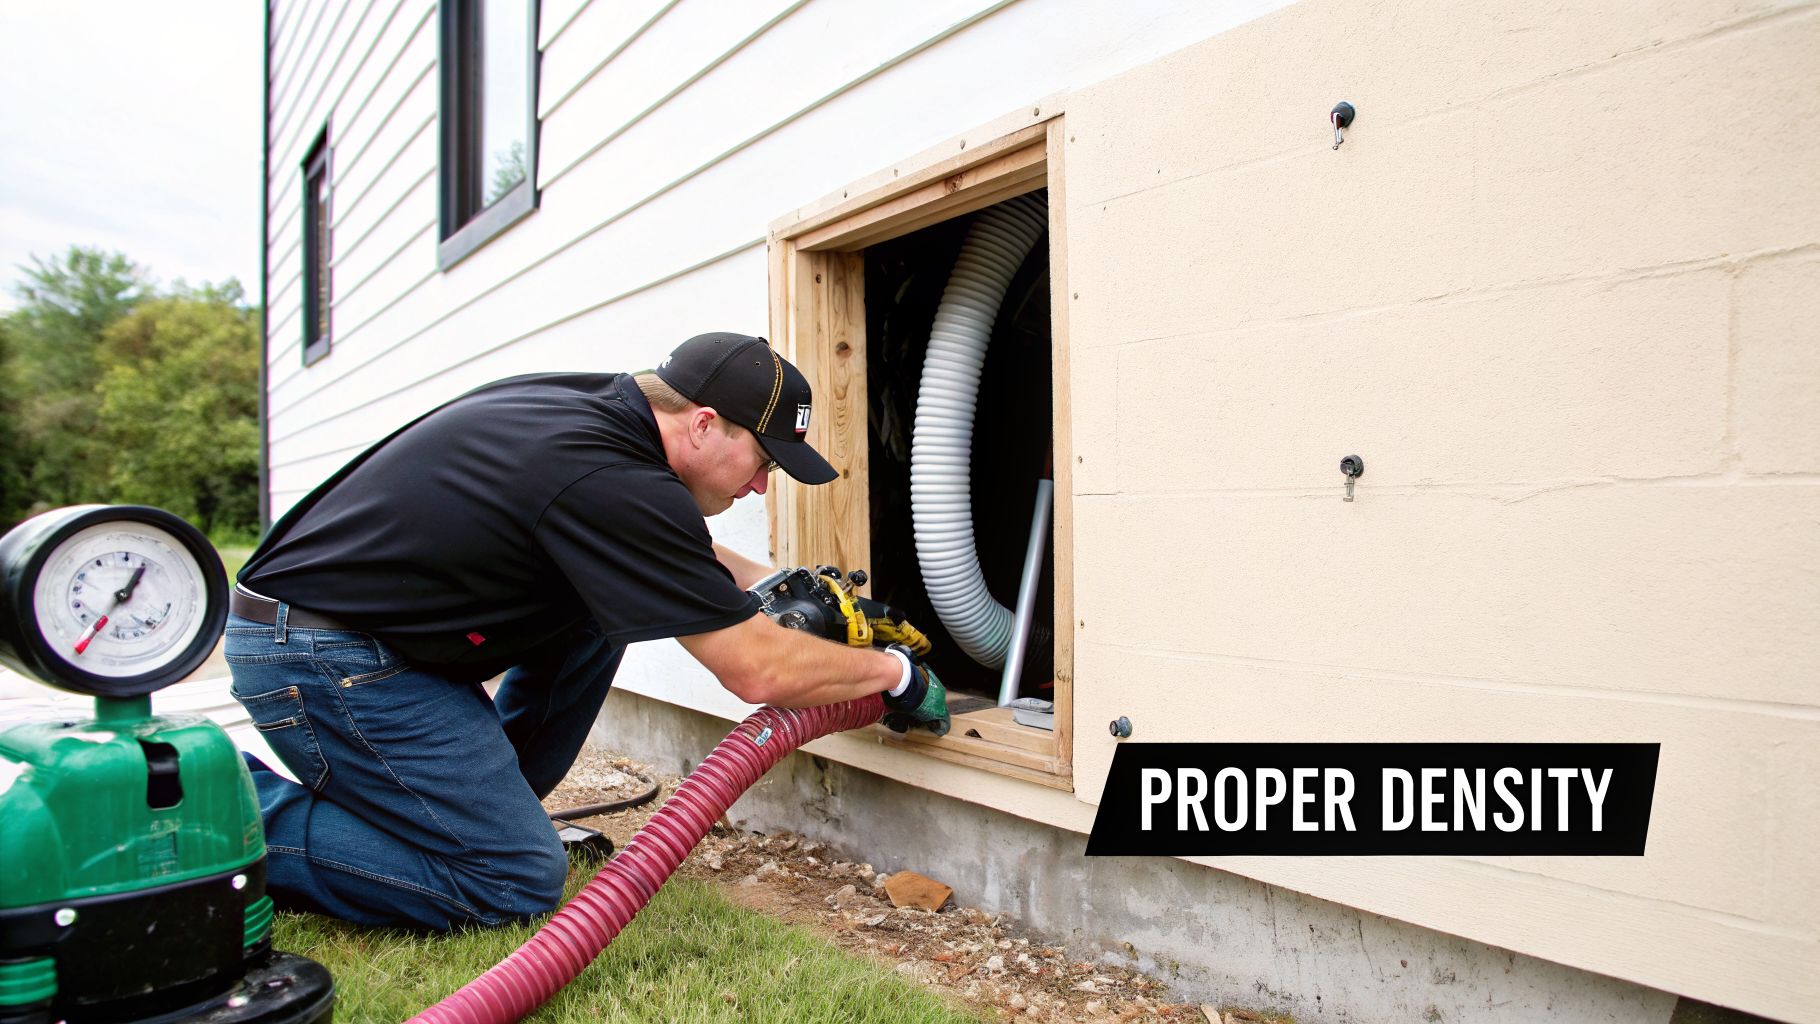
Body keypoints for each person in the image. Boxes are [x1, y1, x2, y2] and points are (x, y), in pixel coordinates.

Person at [225, 332, 948, 930]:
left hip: (364, 637)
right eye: (762, 461)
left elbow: (671, 556)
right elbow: (755, 670)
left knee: (604, 612)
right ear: (702, 423)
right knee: (511, 881)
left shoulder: (600, 410)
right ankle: (241, 816)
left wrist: (781, 588)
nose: (761, 485)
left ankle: (467, 809)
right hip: (319, 655)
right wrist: (892, 675)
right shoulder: (612, 478)